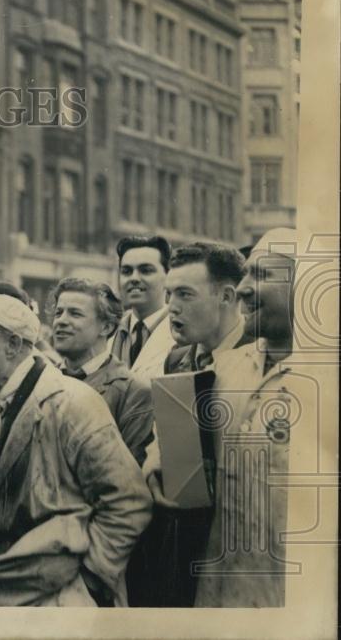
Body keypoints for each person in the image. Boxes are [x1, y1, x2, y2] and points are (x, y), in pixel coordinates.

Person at [0, 294, 152, 606]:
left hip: (63, 603)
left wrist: (90, 579)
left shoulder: (73, 403)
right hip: (0, 598)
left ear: (13, 345)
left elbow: (129, 502)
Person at [147, 229, 305, 607]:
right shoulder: (221, 371)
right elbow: (173, 450)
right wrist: (157, 464)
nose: (245, 288)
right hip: (218, 600)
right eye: (246, 274)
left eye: (262, 275)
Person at [50, 278, 154, 465]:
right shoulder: (42, 381)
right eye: (58, 313)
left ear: (106, 327)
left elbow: (129, 476)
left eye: (75, 314)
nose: (61, 321)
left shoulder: (134, 391)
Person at [164, 241, 247, 373]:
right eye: (169, 293)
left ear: (226, 296)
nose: (171, 307)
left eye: (184, 294)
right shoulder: (174, 361)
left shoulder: (264, 358)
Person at [109, 235, 176, 380]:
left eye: (146, 270)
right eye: (126, 271)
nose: (134, 278)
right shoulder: (108, 333)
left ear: (168, 277)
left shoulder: (181, 334)